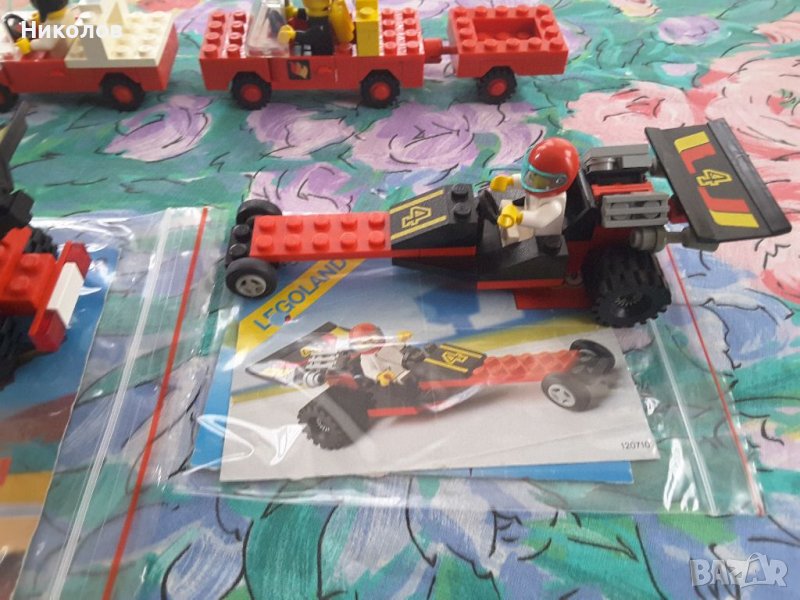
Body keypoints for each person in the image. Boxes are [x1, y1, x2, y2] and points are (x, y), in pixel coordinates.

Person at [490, 137, 580, 249]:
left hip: (537, 238)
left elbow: (539, 219)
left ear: (558, 181)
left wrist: (517, 216)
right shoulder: (541, 187)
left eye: (537, 176)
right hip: (526, 220)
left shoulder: (555, 205)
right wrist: (509, 181)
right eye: (532, 173)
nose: (531, 177)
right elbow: (526, 181)